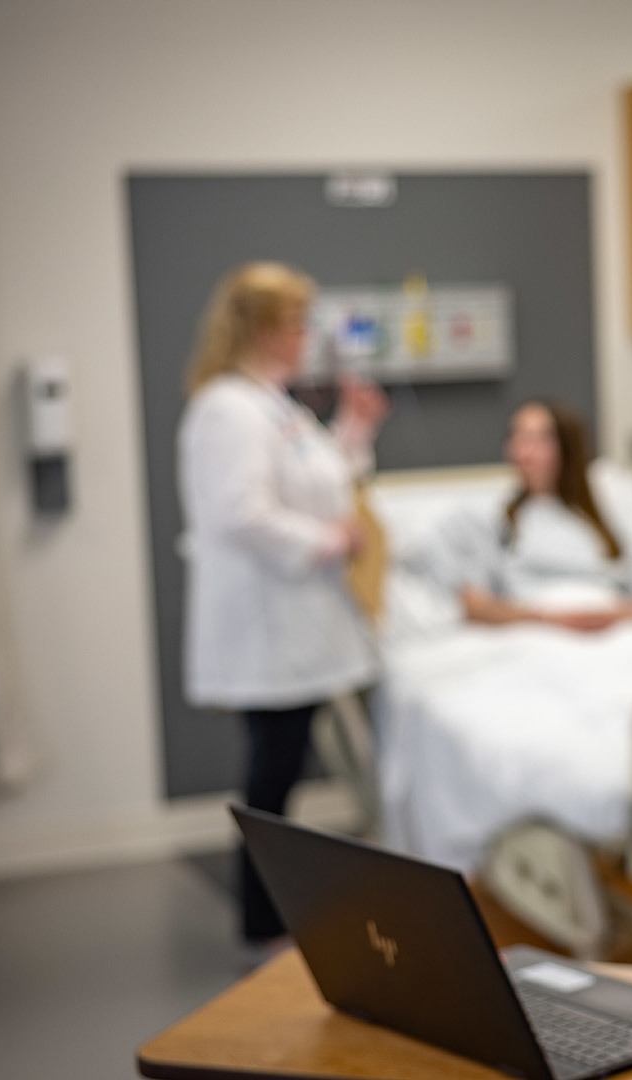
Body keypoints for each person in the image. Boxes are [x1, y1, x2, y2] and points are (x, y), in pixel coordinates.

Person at [177, 261, 389, 949]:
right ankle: (261, 920)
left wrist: (354, 427)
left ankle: (270, 911)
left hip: (297, 623)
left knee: (284, 767)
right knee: (272, 773)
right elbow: (241, 515)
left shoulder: (277, 407)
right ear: (262, 330)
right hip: (266, 626)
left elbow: (323, 479)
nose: (306, 337)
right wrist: (331, 539)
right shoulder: (227, 410)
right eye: (296, 323)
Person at [449, 400, 632, 633]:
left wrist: (606, 617)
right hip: (537, 633)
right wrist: (547, 620)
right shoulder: (497, 519)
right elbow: (475, 605)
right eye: (517, 437)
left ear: (566, 448)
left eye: (537, 439)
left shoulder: (604, 516)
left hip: (613, 633)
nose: (522, 451)